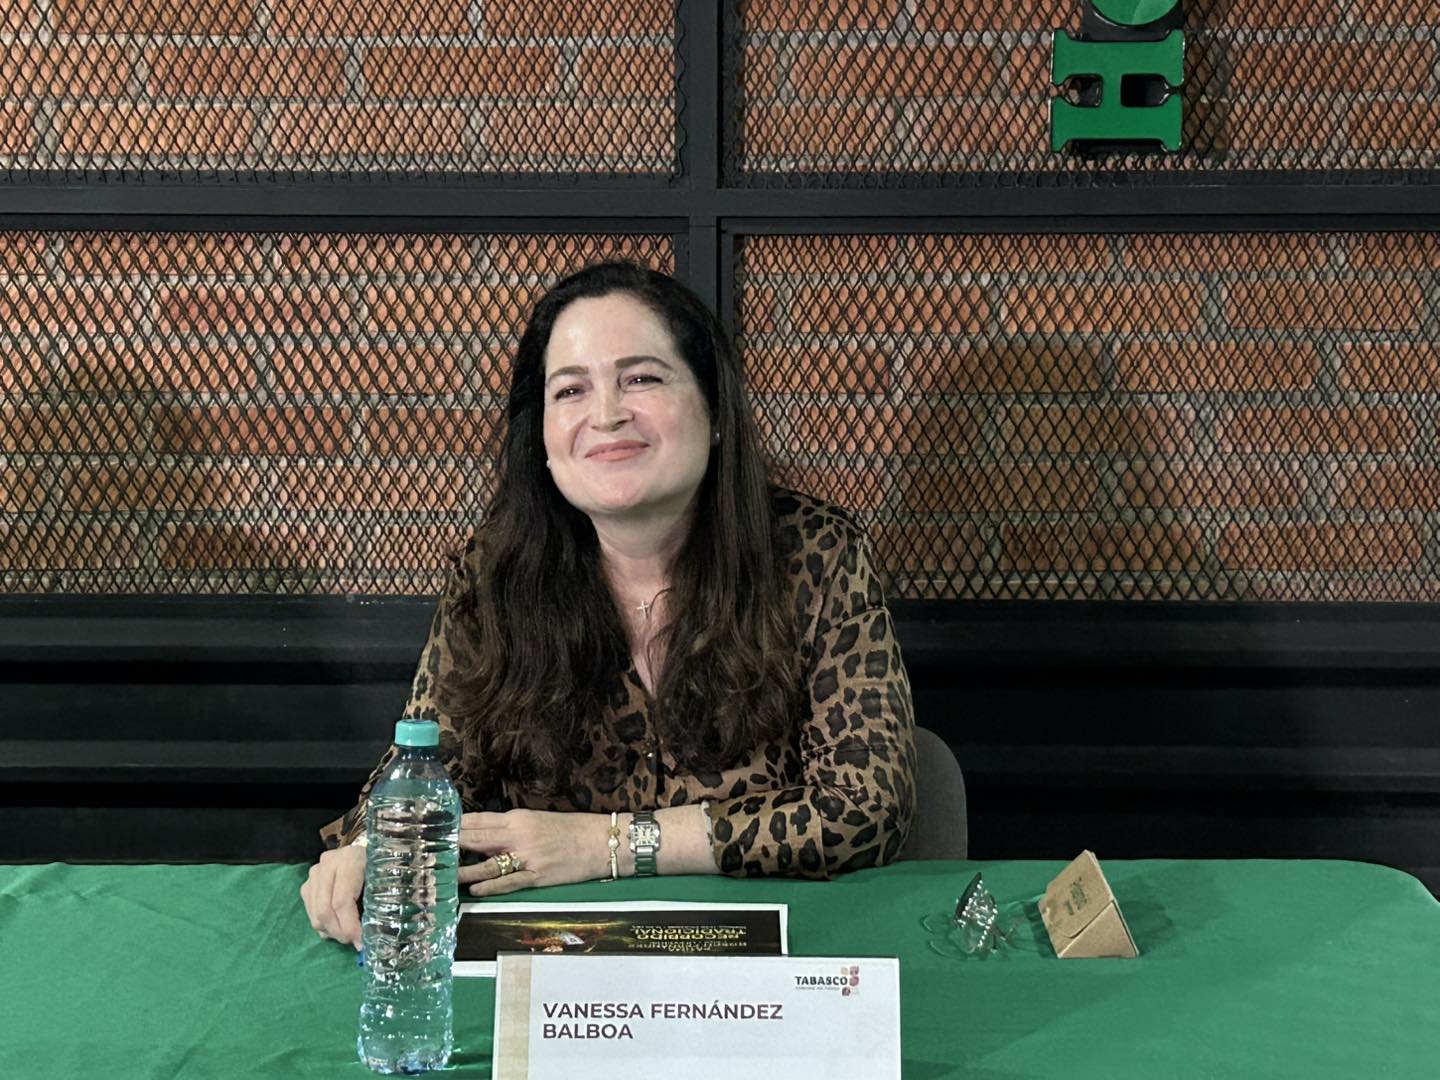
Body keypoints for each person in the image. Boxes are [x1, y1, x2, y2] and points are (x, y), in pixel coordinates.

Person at [301, 261, 917, 948]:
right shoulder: (496, 573)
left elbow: (865, 808)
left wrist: (606, 845)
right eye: (571, 390)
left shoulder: (814, 553)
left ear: (715, 412)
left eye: (642, 379)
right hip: (559, 963)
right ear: (541, 436)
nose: (605, 415)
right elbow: (429, 765)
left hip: (770, 954)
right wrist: (369, 847)